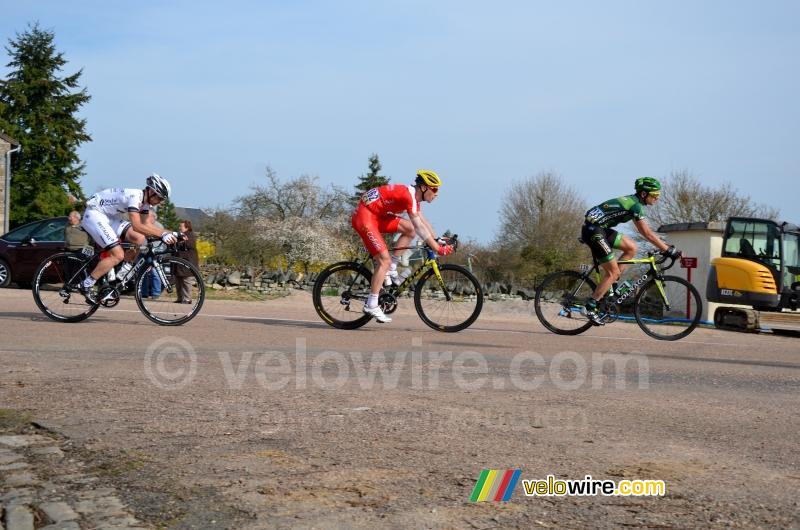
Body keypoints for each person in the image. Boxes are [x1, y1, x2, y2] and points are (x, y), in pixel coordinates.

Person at [351, 169, 454, 323]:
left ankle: (392, 266)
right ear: (424, 188)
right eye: (434, 189)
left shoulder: (413, 197)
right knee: (383, 260)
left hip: (377, 215)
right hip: (365, 217)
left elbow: (422, 221)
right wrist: (437, 248)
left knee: (409, 230)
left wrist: (436, 238)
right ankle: (372, 304)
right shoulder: (409, 196)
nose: (437, 193)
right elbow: (420, 227)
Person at [580, 177, 681, 325]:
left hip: (600, 228)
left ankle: (612, 284)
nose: (657, 198)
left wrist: (664, 246)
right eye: (654, 195)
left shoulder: (633, 202)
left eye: (658, 195)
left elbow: (649, 234)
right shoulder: (635, 205)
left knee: (632, 247)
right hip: (594, 231)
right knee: (612, 271)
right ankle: (590, 306)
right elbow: (646, 233)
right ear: (643, 194)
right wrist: (668, 250)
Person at [79, 174, 177, 304]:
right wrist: (163, 235)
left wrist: (173, 233)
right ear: (152, 192)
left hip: (109, 217)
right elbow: (137, 225)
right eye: (160, 198)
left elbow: (146, 226)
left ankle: (122, 274)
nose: (160, 202)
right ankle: (85, 285)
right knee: (118, 255)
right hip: (95, 214)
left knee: (139, 238)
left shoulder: (145, 203)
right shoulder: (134, 197)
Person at [139, 211, 164, 299]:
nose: (145, 217)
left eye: (147, 216)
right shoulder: (143, 224)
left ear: (153, 217)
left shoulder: (158, 226)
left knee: (155, 272)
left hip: (153, 253)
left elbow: (158, 243)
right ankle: (143, 293)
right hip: (142, 251)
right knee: (141, 273)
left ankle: (156, 293)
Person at [174, 219, 199, 304]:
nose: (179, 228)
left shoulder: (190, 235)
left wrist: (183, 241)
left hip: (188, 263)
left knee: (186, 281)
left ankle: (187, 299)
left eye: (181, 226)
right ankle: (180, 298)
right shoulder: (180, 235)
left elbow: (189, 245)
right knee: (178, 281)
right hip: (179, 263)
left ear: (186, 227)